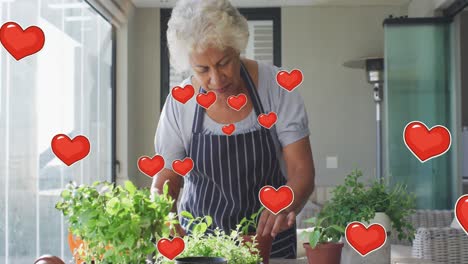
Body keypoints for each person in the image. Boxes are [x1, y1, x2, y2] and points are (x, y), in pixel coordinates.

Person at [151, 0, 315, 259]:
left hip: (268, 244)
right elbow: (166, 177)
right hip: (201, 249)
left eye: (224, 62)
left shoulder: (277, 88)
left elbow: (301, 170)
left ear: (238, 47)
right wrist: (166, 222)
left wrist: (285, 203)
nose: (216, 80)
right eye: (202, 70)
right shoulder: (180, 101)